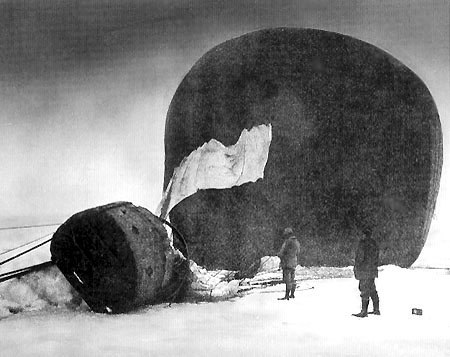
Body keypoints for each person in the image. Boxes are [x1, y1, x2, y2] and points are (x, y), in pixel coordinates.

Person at [352, 227, 380, 317]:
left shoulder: (363, 244)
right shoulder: (374, 243)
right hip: (372, 270)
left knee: (364, 289)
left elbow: (360, 257)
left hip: (365, 270)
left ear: (364, 235)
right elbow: (376, 256)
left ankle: (364, 311)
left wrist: (357, 265)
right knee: (372, 289)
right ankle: (376, 309)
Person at [277, 227, 301, 300]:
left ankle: (287, 295)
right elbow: (298, 252)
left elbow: (282, 252)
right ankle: (292, 294)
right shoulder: (296, 242)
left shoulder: (287, 242)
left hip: (287, 262)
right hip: (294, 261)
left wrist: (279, 254)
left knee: (287, 279)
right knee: (292, 278)